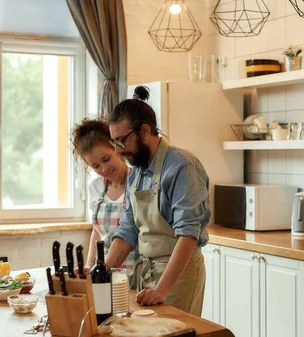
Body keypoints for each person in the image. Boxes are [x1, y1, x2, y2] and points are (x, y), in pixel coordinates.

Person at [104, 86, 210, 316]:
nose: (118, 151)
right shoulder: (136, 172)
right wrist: (101, 273)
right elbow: (129, 229)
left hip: (178, 276)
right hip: (146, 273)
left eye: (121, 141)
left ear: (144, 131)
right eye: (114, 143)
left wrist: (162, 290)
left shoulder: (181, 166)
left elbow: (188, 234)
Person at [71, 118, 138, 275]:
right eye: (95, 166)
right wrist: (89, 264)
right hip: (105, 273)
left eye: (106, 159)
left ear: (117, 148)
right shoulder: (95, 187)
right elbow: (97, 232)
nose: (104, 169)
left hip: (137, 273)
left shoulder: (139, 182)